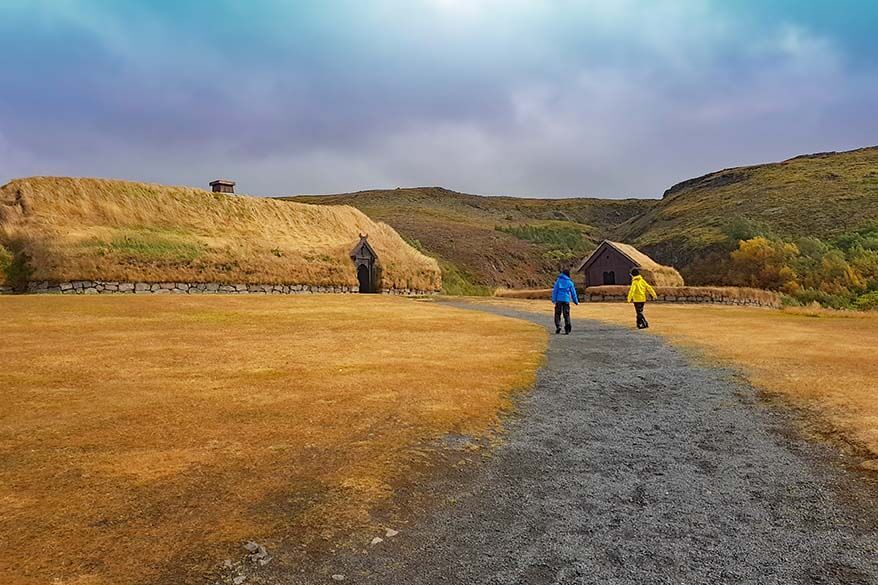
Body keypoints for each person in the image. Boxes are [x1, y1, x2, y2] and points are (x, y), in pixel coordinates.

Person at [551, 269, 579, 334]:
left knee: (557, 314)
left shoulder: (558, 281)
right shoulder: (570, 282)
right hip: (566, 300)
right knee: (566, 314)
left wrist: (554, 299)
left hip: (559, 300)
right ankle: (567, 329)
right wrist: (576, 301)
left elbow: (555, 291)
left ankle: (558, 326)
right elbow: (573, 293)